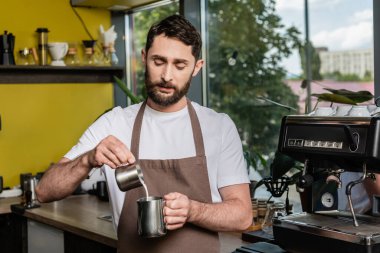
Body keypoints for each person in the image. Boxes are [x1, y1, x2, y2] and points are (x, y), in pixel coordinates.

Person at [36, 14, 252, 253]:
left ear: (196, 68)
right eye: (158, 61)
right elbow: (44, 191)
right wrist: (88, 159)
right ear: (143, 58)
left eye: (180, 65)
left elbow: (242, 216)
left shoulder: (218, 126)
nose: (167, 76)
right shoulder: (114, 123)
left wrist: (192, 210)